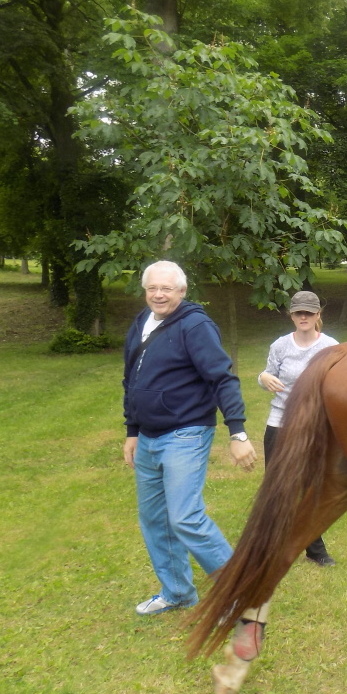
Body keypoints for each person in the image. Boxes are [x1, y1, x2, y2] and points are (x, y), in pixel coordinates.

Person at [122, 260, 256, 615]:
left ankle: (240, 594)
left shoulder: (195, 326)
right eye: (152, 288)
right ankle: (178, 592)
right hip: (147, 437)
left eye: (166, 288)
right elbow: (130, 380)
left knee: (185, 517)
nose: (158, 294)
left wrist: (238, 431)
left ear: (181, 291)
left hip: (186, 432)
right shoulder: (142, 322)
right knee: (155, 519)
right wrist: (132, 431)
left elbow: (222, 378)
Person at [258, 290, 340, 567]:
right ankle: (269, 545)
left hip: (313, 426)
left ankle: (315, 550)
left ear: (318, 315)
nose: (303, 317)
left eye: (308, 312)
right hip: (280, 423)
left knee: (309, 488)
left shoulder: (331, 347)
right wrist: (263, 377)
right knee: (276, 487)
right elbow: (267, 375)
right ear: (291, 315)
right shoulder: (280, 345)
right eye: (298, 312)